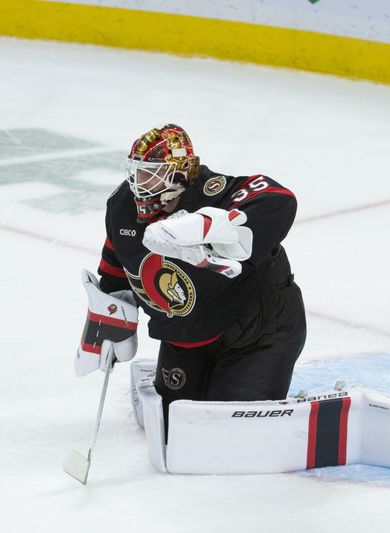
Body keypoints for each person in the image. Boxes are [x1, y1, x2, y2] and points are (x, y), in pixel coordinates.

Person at [75, 123, 306, 427]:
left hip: (257, 332)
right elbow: (117, 266)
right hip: (188, 336)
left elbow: (279, 198)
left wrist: (207, 225)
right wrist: (108, 319)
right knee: (172, 424)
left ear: (180, 173)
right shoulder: (122, 207)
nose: (139, 182)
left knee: (228, 431)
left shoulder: (214, 193)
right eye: (137, 171)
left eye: (151, 172)